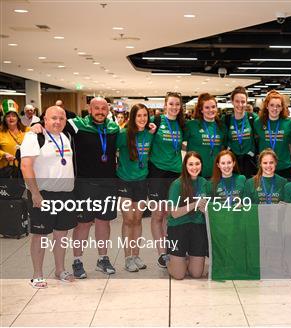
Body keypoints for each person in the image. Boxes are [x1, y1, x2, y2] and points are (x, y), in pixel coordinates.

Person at [32, 97, 120, 278]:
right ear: (89, 108)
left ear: (108, 109)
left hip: (108, 184)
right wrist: (37, 126)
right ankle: (77, 261)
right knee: (83, 224)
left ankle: (103, 259)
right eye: (96, 108)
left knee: (104, 222)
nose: (100, 111)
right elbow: (54, 122)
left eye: (104, 108)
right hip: (83, 184)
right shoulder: (76, 125)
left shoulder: (113, 128)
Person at [20, 106, 76, 288]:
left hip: (65, 194)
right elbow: (25, 166)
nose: (58, 121)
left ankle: (60, 270)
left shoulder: (66, 136)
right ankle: (37, 274)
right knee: (40, 235)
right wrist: (35, 193)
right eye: (53, 118)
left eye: (61, 118)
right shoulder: (34, 136)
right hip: (43, 194)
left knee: (61, 234)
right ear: (44, 119)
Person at [148, 92, 185, 268]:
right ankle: (162, 253)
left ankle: (172, 248)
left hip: (176, 173)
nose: (174, 107)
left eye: (177, 104)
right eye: (171, 104)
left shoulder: (182, 124)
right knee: (158, 214)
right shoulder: (156, 121)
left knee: (171, 214)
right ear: (165, 105)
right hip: (157, 172)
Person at [116, 104, 154, 272]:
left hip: (141, 182)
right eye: (139, 116)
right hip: (125, 181)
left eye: (145, 115)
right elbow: (112, 150)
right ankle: (127, 258)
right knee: (128, 219)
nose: (142, 119)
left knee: (138, 219)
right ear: (133, 117)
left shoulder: (149, 134)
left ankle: (136, 256)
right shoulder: (123, 135)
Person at [166, 151, 209, 280]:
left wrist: (204, 210)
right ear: (185, 166)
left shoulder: (204, 183)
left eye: (197, 164)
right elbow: (174, 213)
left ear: (201, 165)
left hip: (197, 226)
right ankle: (170, 260)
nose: (194, 167)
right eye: (190, 164)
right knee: (179, 275)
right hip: (178, 227)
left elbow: (208, 209)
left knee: (196, 274)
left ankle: (188, 259)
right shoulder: (177, 184)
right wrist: (195, 204)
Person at [253, 91, 291, 178]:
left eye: (278, 106)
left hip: (284, 166)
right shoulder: (258, 122)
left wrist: (283, 154)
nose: (275, 108)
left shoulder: (288, 123)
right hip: (265, 167)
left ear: (282, 108)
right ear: (267, 106)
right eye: (272, 105)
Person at [185, 93, 226, 178]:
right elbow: (178, 141)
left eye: (213, 107)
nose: (211, 110)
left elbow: (223, 148)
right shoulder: (192, 125)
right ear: (201, 110)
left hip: (216, 173)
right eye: (207, 107)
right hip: (196, 173)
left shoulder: (222, 127)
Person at [224, 86, 258, 177]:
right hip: (232, 162)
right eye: (237, 101)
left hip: (250, 161)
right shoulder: (226, 119)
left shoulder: (253, 118)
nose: (240, 104)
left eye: (243, 101)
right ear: (232, 101)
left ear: (246, 102)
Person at [1, 100, 27, 169]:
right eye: (8, 116)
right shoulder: (1, 132)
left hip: (26, 167)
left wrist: (37, 126)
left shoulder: (26, 130)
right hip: (8, 169)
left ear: (18, 118)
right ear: (4, 119)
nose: (11, 118)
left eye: (13, 116)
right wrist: (4, 154)